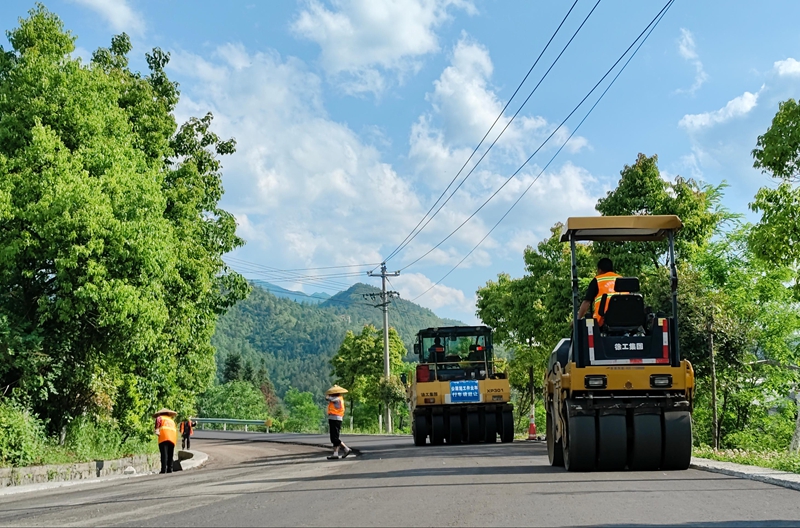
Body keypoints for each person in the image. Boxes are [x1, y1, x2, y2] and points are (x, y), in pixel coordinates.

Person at [577, 257, 622, 327]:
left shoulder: (597, 280)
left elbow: (586, 302)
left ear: (599, 270)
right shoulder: (622, 280)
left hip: (602, 322)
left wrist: (577, 319)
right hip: (625, 320)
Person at [325, 385, 352, 460]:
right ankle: (335, 453)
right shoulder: (339, 398)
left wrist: (327, 395)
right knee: (335, 436)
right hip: (335, 418)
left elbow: (327, 398)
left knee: (334, 438)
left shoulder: (337, 399)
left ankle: (346, 449)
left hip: (335, 418)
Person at [153, 408, 178, 474]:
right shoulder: (171, 420)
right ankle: (170, 469)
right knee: (170, 454)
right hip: (172, 438)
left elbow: (157, 426)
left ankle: (163, 469)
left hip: (163, 437)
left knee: (164, 454)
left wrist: (156, 431)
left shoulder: (159, 418)